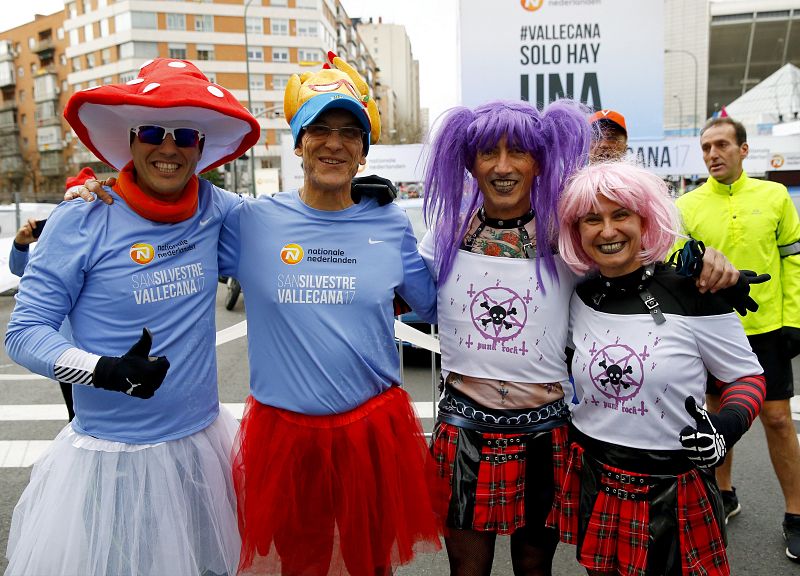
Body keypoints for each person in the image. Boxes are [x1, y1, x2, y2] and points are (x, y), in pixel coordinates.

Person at [74, 52, 435, 576]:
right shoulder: (250, 221)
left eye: (349, 133)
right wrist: (101, 194)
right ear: (298, 143)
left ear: (363, 153)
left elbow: (436, 301)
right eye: (319, 129)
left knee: (369, 562)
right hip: (285, 436)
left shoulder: (392, 225)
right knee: (300, 562)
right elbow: (165, 211)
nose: (334, 143)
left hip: (370, 432)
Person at [4, 58, 260, 575]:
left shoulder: (216, 208)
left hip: (200, 448)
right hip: (112, 459)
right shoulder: (81, 218)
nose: (168, 148)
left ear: (201, 147)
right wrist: (101, 369)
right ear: (130, 139)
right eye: (152, 131)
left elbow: (286, 228)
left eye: (184, 134)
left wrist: (347, 205)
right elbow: (24, 333)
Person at [550, 161, 766, 575]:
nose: (607, 231)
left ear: (646, 218)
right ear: (577, 231)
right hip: (596, 475)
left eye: (621, 215)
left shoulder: (695, 292)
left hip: (674, 486)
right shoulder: (577, 295)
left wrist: (727, 425)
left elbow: (746, 376)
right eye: (592, 219)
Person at [420, 99, 589, 576]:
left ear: (540, 159)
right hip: (464, 426)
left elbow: (632, 263)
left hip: (545, 428)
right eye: (487, 154)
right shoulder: (447, 230)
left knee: (535, 569)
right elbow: (392, 288)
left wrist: (703, 268)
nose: (502, 167)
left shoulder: (566, 232)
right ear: (468, 162)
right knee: (466, 571)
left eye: (517, 152)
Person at [675, 116, 800, 562]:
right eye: (706, 147)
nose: (713, 154)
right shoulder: (687, 205)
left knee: (778, 419)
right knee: (714, 418)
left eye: (722, 145)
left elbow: (794, 259)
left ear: (743, 150)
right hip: (710, 330)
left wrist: (794, 319)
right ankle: (725, 494)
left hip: (767, 329)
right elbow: (677, 264)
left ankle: (796, 514)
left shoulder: (775, 195)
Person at [8, 168, 99, 422]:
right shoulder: (58, 237)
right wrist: (21, 243)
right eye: (76, 198)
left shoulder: (110, 234)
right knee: (77, 414)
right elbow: (23, 271)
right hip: (68, 348)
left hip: (107, 344)